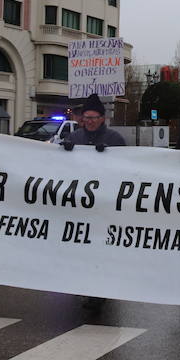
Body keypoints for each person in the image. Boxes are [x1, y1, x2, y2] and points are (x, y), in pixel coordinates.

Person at [61, 94, 125, 311]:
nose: (88, 121)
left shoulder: (115, 140)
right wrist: (64, 152)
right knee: (81, 250)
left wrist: (109, 156)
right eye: (85, 117)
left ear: (102, 118)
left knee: (101, 250)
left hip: (103, 207)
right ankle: (85, 287)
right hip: (80, 207)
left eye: (93, 117)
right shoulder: (75, 138)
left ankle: (99, 291)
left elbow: (126, 171)